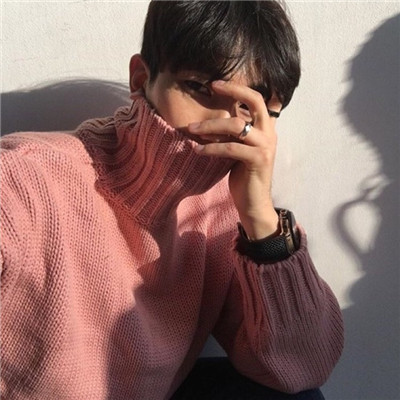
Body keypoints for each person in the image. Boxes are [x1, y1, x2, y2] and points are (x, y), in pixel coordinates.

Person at [0, 1, 344, 399]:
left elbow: (303, 367)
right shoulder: (24, 182)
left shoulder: (224, 214)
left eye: (252, 108)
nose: (226, 123)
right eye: (201, 88)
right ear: (141, 78)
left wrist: (260, 220)